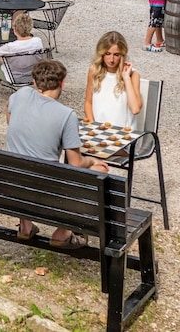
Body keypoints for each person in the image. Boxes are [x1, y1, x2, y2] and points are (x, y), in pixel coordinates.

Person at [6, 59, 109, 249]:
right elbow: (76, 163)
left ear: (35, 82)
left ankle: (25, 226)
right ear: (62, 83)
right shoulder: (66, 115)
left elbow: (9, 115)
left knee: (23, 160)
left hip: (11, 184)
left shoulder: (20, 95)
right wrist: (92, 160)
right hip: (46, 192)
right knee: (98, 170)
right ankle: (63, 231)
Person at [83, 31, 142, 127]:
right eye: (107, 53)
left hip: (123, 135)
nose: (111, 59)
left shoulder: (133, 75)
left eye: (116, 55)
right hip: (98, 131)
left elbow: (135, 109)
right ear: (101, 54)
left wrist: (126, 78)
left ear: (122, 55)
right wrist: (93, 126)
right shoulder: (94, 70)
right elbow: (88, 102)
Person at [0, 12, 44, 83]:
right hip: (33, 76)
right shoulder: (38, 41)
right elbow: (24, 60)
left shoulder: (11, 46)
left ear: (15, 29)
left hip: (14, 77)